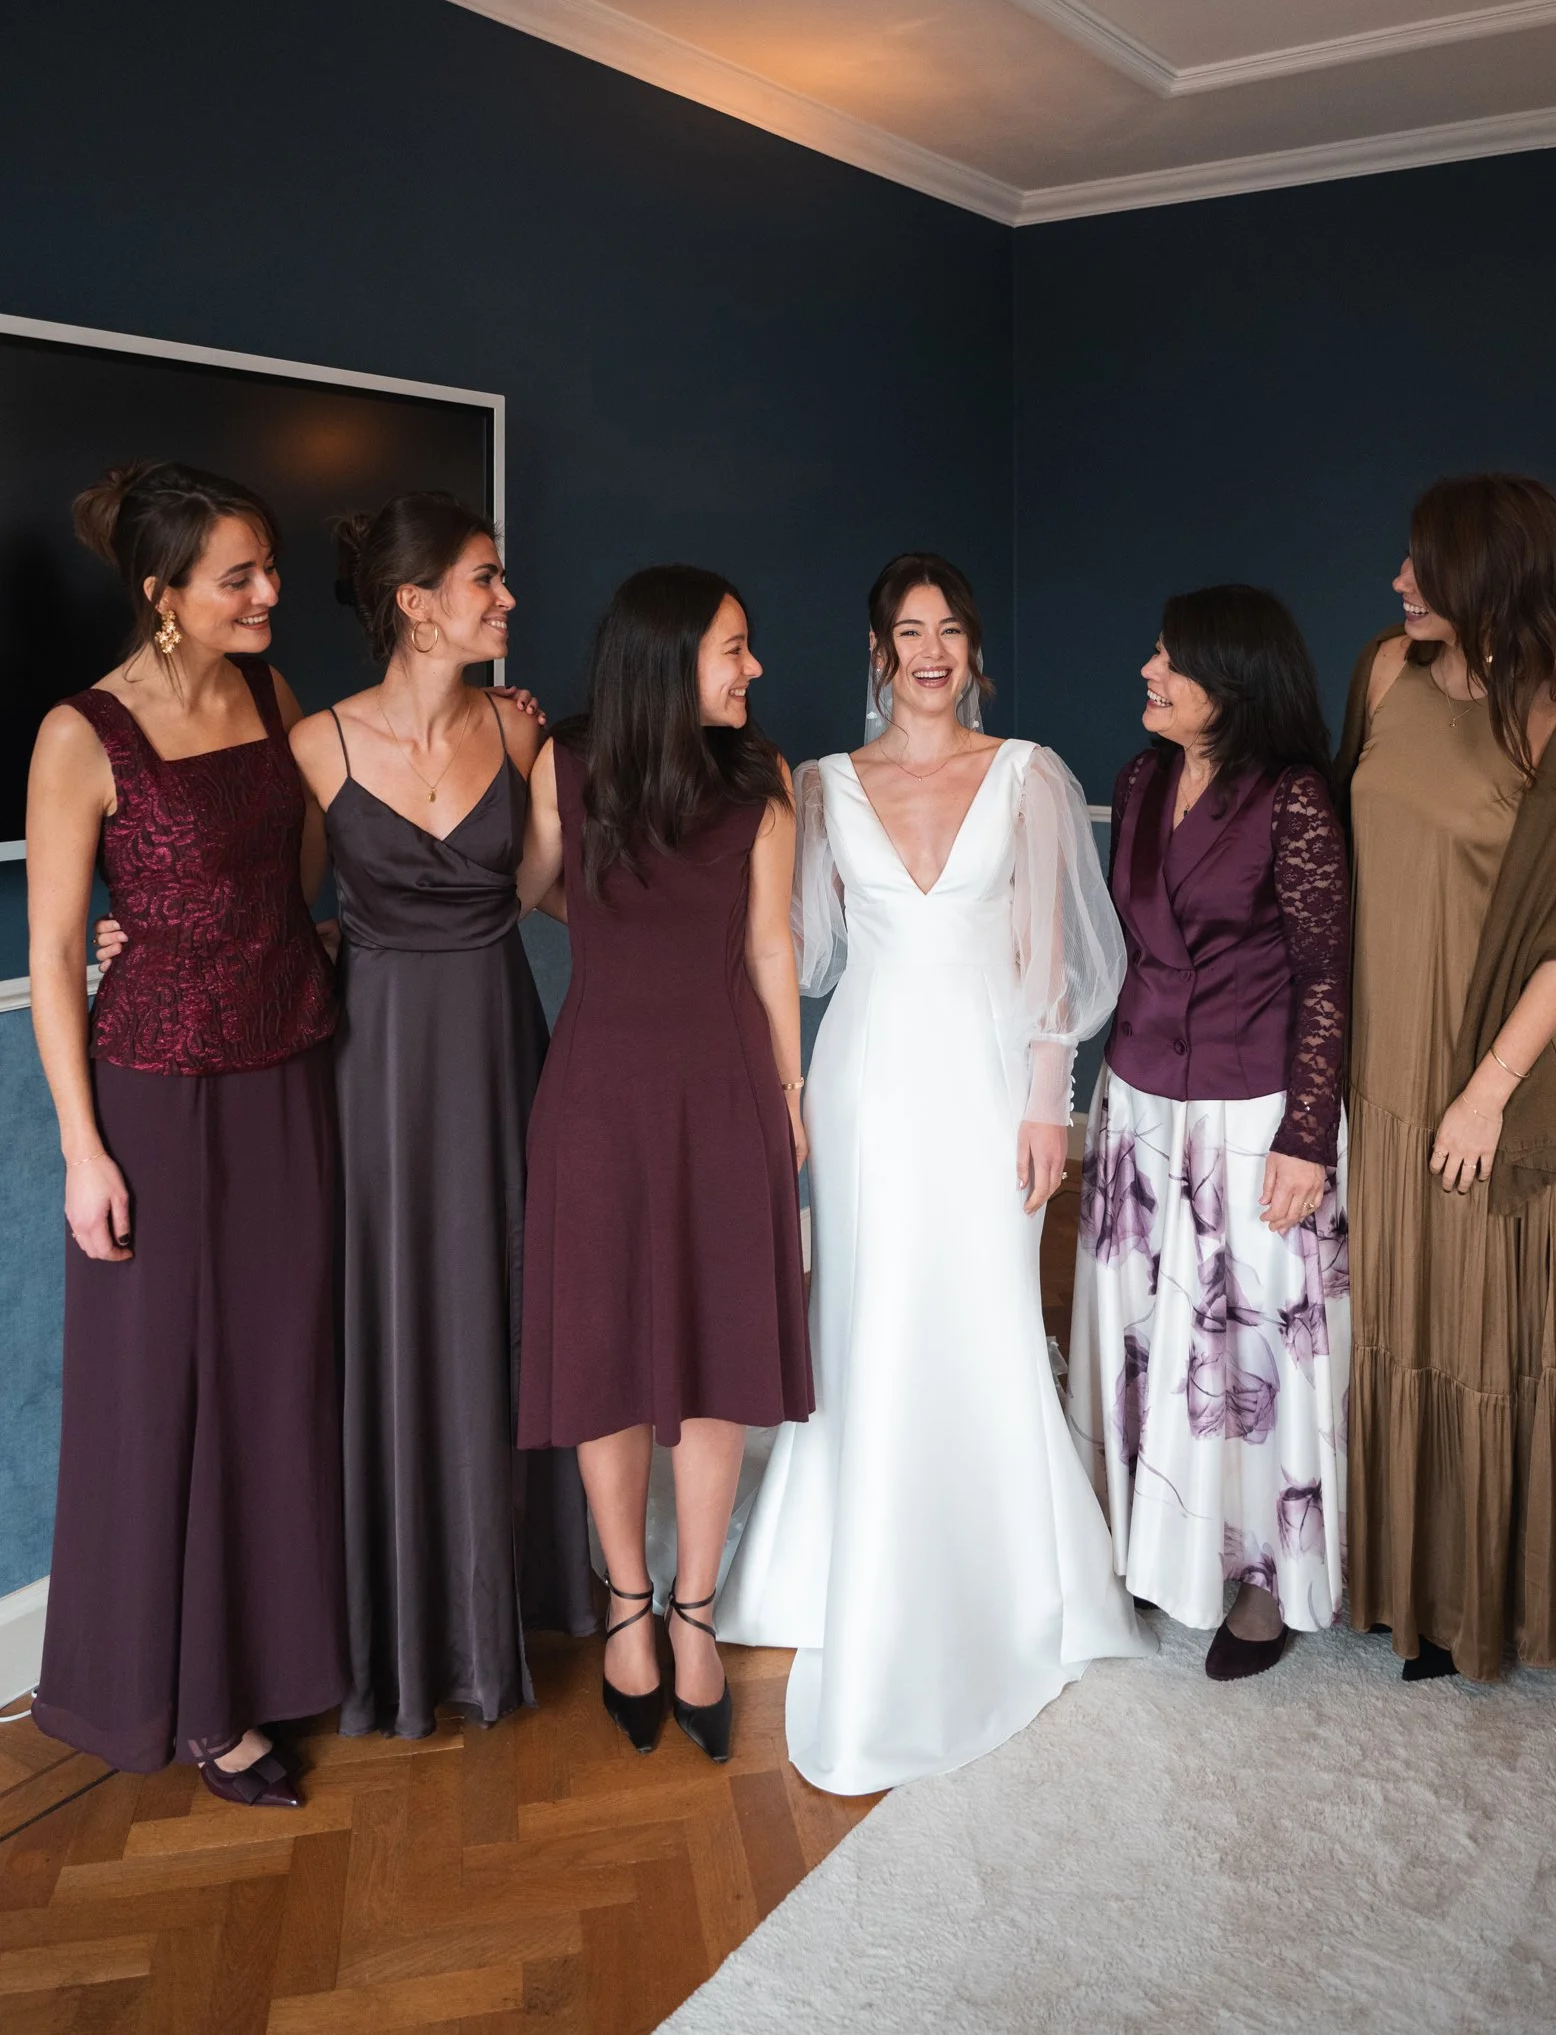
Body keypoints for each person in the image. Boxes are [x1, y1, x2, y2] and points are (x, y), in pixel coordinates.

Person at [719, 551, 1147, 1795]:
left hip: (980, 1085)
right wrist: (783, 1097)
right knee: (862, 1313)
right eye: (907, 631)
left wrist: (1045, 1104)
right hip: (861, 1086)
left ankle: (1014, 1570)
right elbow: (784, 948)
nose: (931, 650)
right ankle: (833, 1557)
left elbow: (1051, 957)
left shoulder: (1026, 775)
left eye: (949, 629)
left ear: (971, 649)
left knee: (983, 1312)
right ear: (875, 653)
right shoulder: (819, 784)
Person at [26, 462, 343, 1805]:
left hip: (291, 1071)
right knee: (164, 1392)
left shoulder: (279, 700)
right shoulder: (79, 734)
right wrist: (82, 1154)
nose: (270, 592)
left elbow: (308, 875)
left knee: (281, 1378)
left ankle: (275, 1668)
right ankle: (193, 1705)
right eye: (239, 575)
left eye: (269, 565)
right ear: (164, 596)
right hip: (151, 1096)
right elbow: (49, 953)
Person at [285, 493, 594, 1738]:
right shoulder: (315, 746)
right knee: (392, 1319)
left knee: (507, 1306)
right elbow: (281, 918)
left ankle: (504, 1606)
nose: (507, 600)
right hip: (375, 1068)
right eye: (485, 580)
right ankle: (398, 1628)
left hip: (496, 1047)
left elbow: (535, 894)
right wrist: (130, 939)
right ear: (416, 605)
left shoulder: (517, 737)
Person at [1343, 475, 1556, 1683]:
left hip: (1480, 1079)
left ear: (1486, 576)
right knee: (1385, 1318)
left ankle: (1474, 1603)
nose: (1398, 583)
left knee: (1470, 1337)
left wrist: (1485, 1090)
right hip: (1374, 1062)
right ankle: (1388, 1583)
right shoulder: (1382, 677)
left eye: (1420, 567)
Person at [517, 567, 813, 1764]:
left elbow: (771, 944)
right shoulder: (563, 763)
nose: (752, 670)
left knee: (709, 1355)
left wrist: (791, 1106)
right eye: (732, 649)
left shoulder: (764, 777)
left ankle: (696, 1609)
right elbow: (533, 888)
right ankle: (624, 1605)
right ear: (665, 660)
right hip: (593, 1096)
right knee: (597, 1347)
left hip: (723, 1085)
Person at [1067, 587, 1350, 1680]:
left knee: (1241, 1351)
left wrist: (1308, 1136)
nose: (1146, 668)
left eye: (1168, 659)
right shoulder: (1138, 780)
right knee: (1143, 1334)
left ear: (1229, 686)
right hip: (1138, 1103)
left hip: (1251, 1115)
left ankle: (1257, 1581)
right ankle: (1145, 1546)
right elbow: (1120, 943)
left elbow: (1325, 975)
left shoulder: (1291, 801)